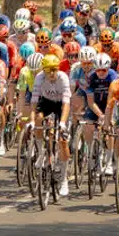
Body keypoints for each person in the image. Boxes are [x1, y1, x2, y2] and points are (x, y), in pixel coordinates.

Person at [31, 53, 74, 197]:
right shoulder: (39, 78)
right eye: (48, 70)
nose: (51, 73)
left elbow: (67, 103)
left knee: (62, 141)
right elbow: (34, 101)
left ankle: (63, 179)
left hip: (61, 105)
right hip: (47, 102)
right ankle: (40, 152)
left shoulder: (63, 78)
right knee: (38, 120)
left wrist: (62, 123)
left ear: (58, 69)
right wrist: (31, 120)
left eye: (54, 69)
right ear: (43, 70)